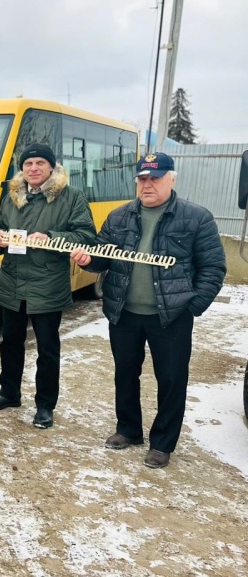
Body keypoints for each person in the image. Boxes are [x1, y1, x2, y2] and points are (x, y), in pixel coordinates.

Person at [70, 152, 226, 468]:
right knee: (125, 373)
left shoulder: (196, 218)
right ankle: (128, 430)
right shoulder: (119, 216)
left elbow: (213, 267)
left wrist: (192, 306)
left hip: (170, 316)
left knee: (171, 379)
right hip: (124, 313)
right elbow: (104, 257)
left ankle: (162, 443)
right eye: (142, 178)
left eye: (155, 178)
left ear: (172, 178)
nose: (147, 184)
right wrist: (90, 260)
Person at [0, 143, 96, 427]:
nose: (33, 168)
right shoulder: (11, 197)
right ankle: (9, 393)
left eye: (40, 164)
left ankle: (45, 405)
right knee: (9, 343)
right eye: (28, 164)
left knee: (47, 348)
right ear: (22, 169)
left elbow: (86, 236)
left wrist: (53, 237)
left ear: (51, 168)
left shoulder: (71, 197)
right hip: (12, 282)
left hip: (47, 284)